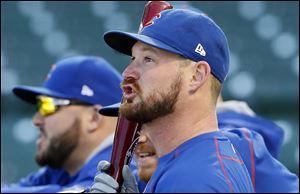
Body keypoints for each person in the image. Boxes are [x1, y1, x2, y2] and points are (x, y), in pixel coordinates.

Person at [91, 6, 255, 192]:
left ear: (196, 76)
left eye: (148, 59)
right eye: (133, 59)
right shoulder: (192, 162)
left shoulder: (194, 179)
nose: (127, 73)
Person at [96, 99, 299, 193]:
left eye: (151, 121)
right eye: (133, 127)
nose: (138, 139)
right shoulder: (138, 175)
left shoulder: (234, 148)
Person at [1, 56, 123, 193]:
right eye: (38, 107)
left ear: (93, 118)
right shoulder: (62, 168)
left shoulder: (121, 171)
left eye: (47, 106)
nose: (36, 120)